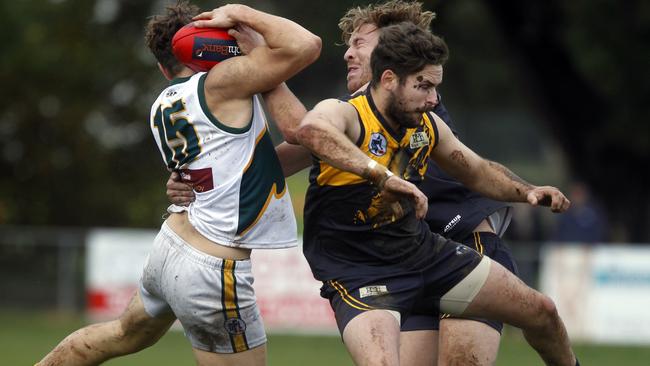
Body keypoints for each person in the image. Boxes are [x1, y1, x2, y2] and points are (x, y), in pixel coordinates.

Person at [163, 2, 532, 365]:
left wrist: (264, 62)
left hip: (463, 240)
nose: (348, 54)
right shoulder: (355, 113)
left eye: (360, 44)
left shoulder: (415, 100)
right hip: (407, 259)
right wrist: (197, 180)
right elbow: (276, 160)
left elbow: (300, 130)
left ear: (394, 52)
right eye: (349, 45)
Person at [37, 2, 321, 366]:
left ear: (161, 65)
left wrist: (328, 145)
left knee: (119, 334)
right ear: (212, 44)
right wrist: (239, 12)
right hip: (213, 265)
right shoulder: (221, 83)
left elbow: (249, 170)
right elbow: (306, 45)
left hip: (171, 246)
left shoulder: (163, 102)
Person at [296, 22, 578, 366]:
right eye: (423, 86)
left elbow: (476, 170)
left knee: (543, 311)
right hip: (361, 273)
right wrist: (380, 175)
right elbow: (311, 130)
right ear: (388, 79)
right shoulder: (349, 114)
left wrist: (530, 191)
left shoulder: (426, 125)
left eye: (435, 87)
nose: (433, 99)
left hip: (425, 256)